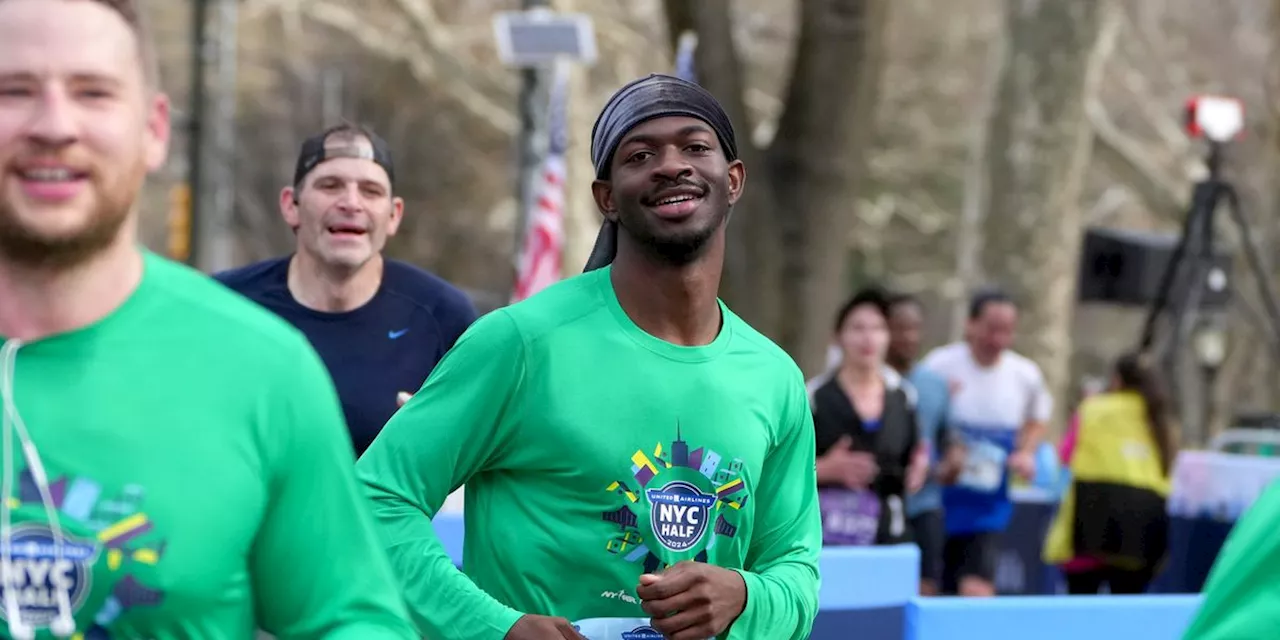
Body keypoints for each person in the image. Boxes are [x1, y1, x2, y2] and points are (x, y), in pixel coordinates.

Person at [0, 0, 416, 637]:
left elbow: (351, 620)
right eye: (13, 91)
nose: (55, 124)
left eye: (93, 93)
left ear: (155, 130)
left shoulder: (263, 367)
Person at [356, 74, 821, 640]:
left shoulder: (774, 378)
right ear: (607, 198)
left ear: (734, 180)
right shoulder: (520, 344)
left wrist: (744, 595)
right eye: (641, 154)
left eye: (696, 147)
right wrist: (495, 628)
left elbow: (797, 570)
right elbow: (375, 502)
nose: (672, 165)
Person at [216, 122, 476, 457]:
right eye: (330, 185)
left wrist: (440, 440)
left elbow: (487, 452)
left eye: (370, 191)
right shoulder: (226, 306)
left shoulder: (443, 318)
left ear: (394, 215)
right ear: (291, 205)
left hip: (379, 511)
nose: (351, 203)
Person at [919, 288, 1052, 597]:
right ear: (971, 325)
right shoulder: (939, 365)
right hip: (939, 499)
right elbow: (918, 414)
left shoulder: (1025, 374)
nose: (998, 340)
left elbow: (1038, 417)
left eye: (1007, 331)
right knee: (930, 589)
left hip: (988, 504)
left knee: (976, 590)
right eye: (991, 329)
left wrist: (1026, 452)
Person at [1044, 353, 1172, 595]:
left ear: (1116, 380)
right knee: (1127, 618)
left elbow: (1065, 455)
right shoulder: (1161, 420)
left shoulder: (1093, 409)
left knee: (1081, 617)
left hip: (1089, 523)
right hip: (1141, 532)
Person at [812, 287, 925, 547]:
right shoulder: (813, 397)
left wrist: (919, 467)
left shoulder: (904, 398)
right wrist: (824, 470)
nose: (868, 338)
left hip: (889, 533)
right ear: (838, 337)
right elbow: (782, 470)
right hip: (827, 535)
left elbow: (914, 456)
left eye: (877, 328)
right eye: (857, 328)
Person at [886, 293, 957, 595]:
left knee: (925, 588)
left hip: (926, 504)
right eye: (900, 328)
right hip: (882, 506)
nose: (908, 337)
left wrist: (954, 459)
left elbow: (948, 435)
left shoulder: (934, 383)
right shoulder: (870, 382)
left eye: (915, 328)